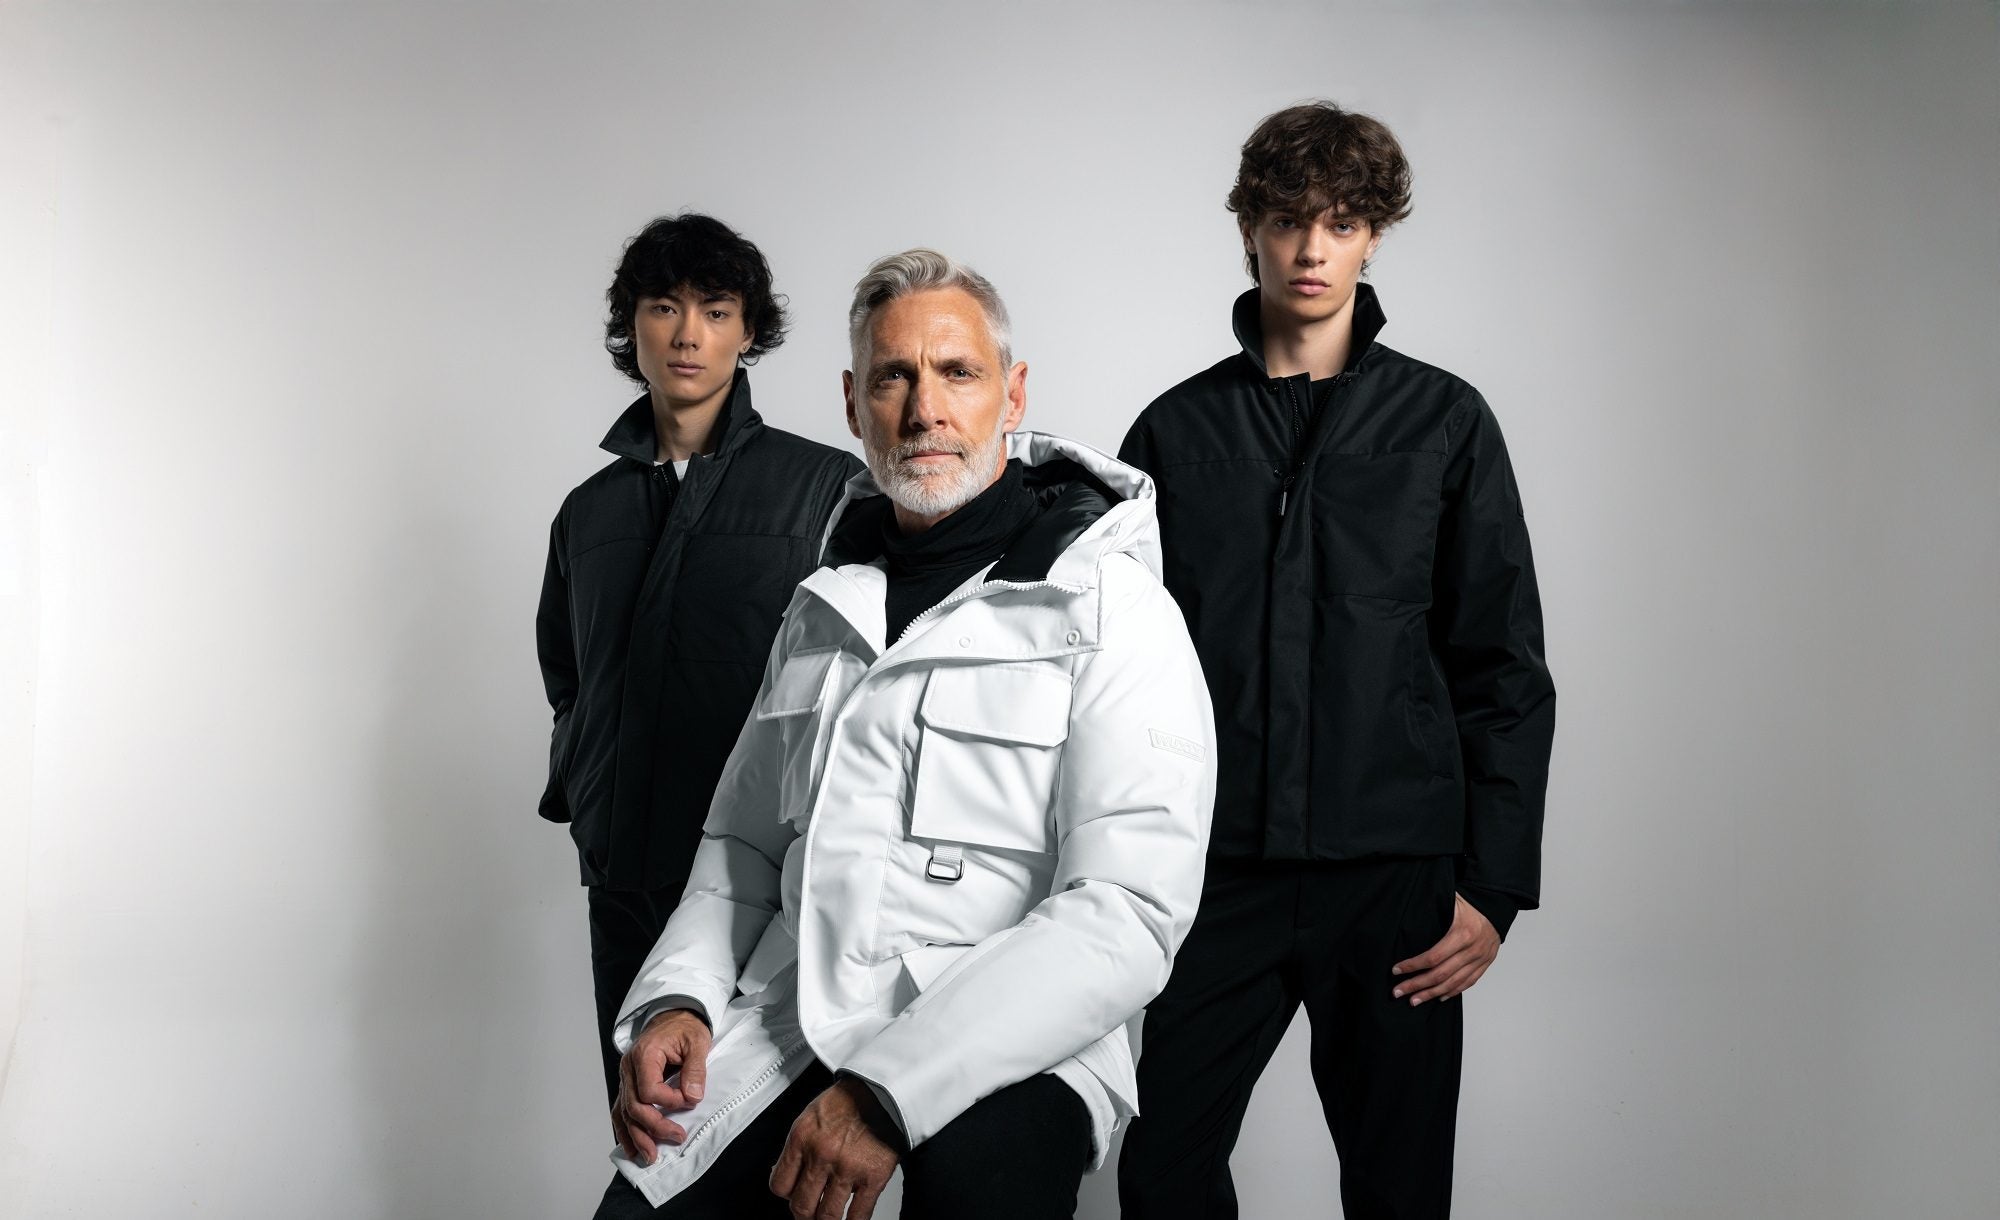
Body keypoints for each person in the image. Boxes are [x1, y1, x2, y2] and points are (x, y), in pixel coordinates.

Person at [592, 249, 1215, 1220]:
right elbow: (742, 848)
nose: (925, 410)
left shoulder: (1112, 605)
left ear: (1012, 393)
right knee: (644, 1204)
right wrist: (680, 995)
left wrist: (887, 1091)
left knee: (974, 1190)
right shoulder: (822, 607)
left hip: (1017, 1033)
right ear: (853, 405)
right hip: (798, 1009)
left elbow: (1126, 909)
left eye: (956, 372)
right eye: (893, 377)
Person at [1115, 102, 1557, 1219]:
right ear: (1249, 230)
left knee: (1397, 1187)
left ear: (1373, 237)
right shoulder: (1173, 436)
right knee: (1161, 1167)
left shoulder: (1444, 422)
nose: (1312, 248)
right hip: (1218, 870)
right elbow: (1116, 674)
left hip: (1393, 877)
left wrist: (1493, 885)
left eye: (1342, 222)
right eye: (1287, 219)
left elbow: (1501, 661)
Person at [535, 213, 862, 1111]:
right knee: (649, 1128)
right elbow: (567, 676)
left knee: (768, 1142)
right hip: (624, 874)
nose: (688, 334)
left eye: (716, 311)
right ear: (631, 325)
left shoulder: (823, 487)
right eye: (664, 307)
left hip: (768, 886)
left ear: (748, 332)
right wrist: (587, 797)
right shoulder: (588, 513)